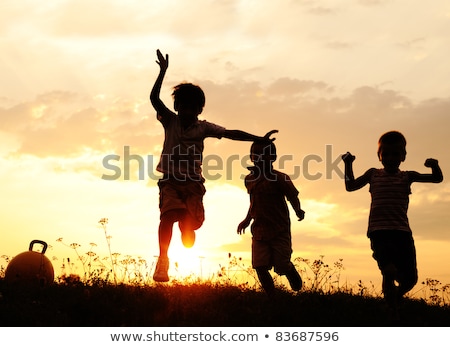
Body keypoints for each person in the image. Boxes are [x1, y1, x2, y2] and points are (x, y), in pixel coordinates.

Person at [150, 49, 278, 282]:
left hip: (193, 185)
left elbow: (231, 133)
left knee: (188, 235)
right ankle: (163, 260)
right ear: (177, 107)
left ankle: (187, 227)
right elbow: (154, 100)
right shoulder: (170, 121)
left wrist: (257, 138)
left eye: (192, 108)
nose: (187, 112)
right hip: (170, 181)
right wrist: (162, 73)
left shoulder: (204, 127)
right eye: (183, 107)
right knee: (168, 216)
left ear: (199, 110)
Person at [342, 130, 443, 321]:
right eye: (385, 154)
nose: (390, 158)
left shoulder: (407, 176)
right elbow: (351, 186)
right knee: (388, 270)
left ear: (403, 156)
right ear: (379, 156)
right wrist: (348, 164)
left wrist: (435, 165)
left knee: (410, 279)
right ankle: (391, 310)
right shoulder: (373, 174)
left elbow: (436, 179)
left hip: (402, 233)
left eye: (395, 154)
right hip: (379, 232)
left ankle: (392, 299)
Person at [237, 139, 305, 297]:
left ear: (273, 157)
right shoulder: (249, 179)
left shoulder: (280, 178)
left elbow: (292, 196)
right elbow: (253, 202)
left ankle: (289, 269)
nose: (260, 157)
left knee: (281, 265)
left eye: (265, 154)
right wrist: (247, 220)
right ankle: (271, 296)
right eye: (257, 154)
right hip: (259, 230)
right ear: (251, 157)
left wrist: (298, 209)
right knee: (259, 265)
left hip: (279, 229)